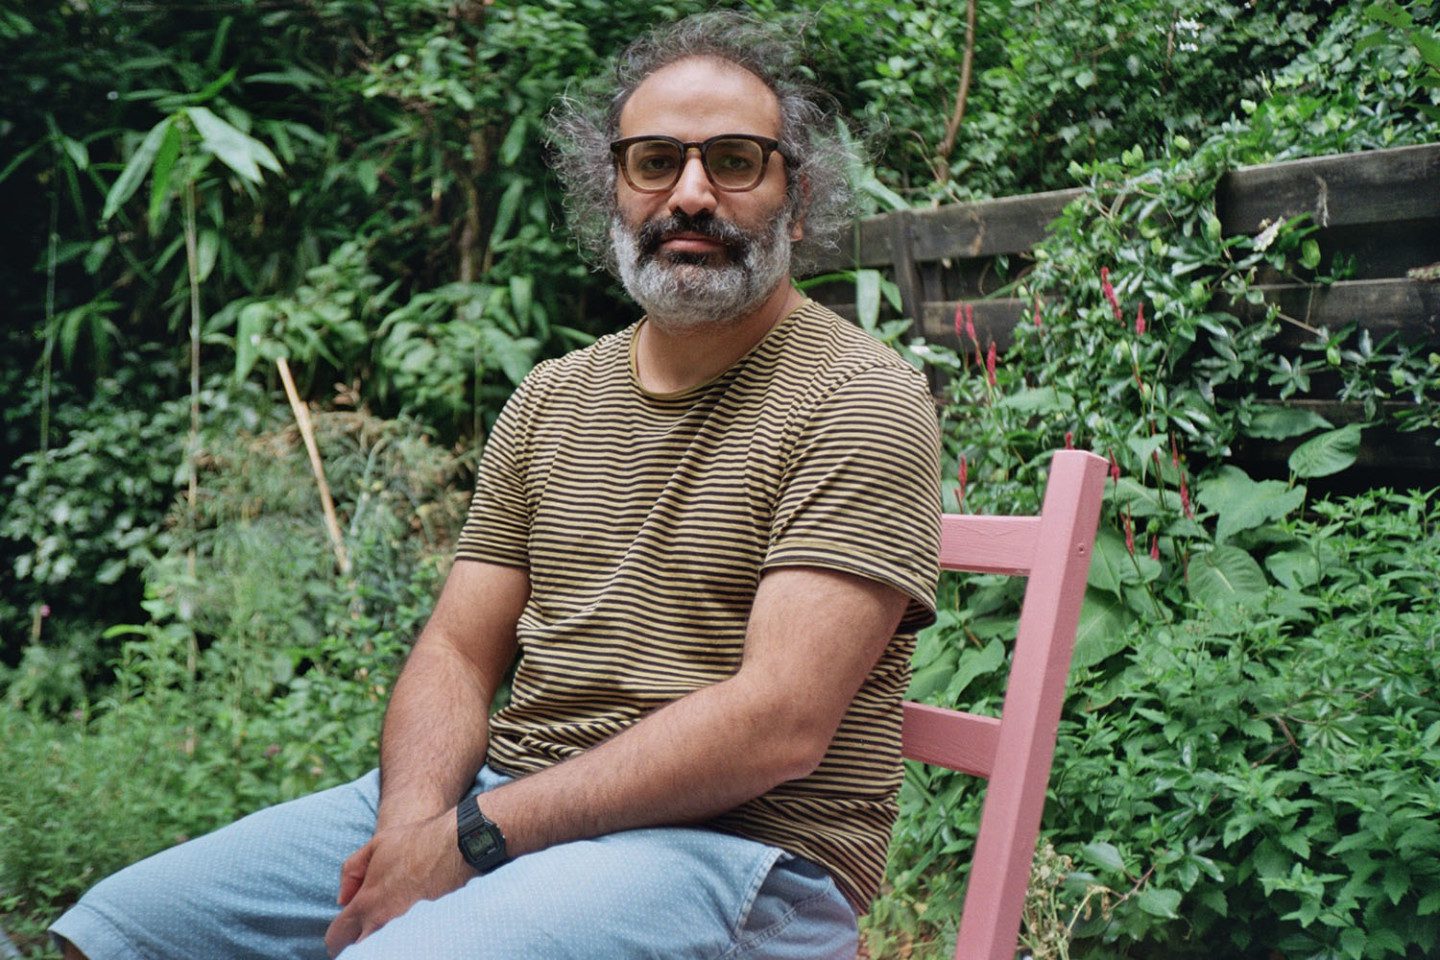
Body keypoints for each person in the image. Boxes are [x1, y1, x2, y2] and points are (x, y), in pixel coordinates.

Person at [51, 12, 940, 960]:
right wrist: (411, 829)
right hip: (513, 806)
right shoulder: (553, 395)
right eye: (653, 162)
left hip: (738, 853)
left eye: (733, 160)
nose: (690, 193)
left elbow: (778, 725)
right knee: (121, 929)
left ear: (794, 202)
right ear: (612, 191)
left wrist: (473, 840)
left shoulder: (860, 395)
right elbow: (459, 652)